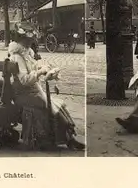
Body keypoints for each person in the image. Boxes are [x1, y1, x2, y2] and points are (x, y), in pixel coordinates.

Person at [8, 22, 85, 151]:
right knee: (50, 105)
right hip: (23, 94)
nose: (31, 42)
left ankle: (69, 137)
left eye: (31, 39)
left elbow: (34, 68)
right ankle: (59, 138)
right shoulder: (17, 56)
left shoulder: (26, 53)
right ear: (21, 39)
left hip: (33, 92)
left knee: (58, 105)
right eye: (28, 39)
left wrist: (46, 70)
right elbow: (24, 80)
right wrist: (39, 72)